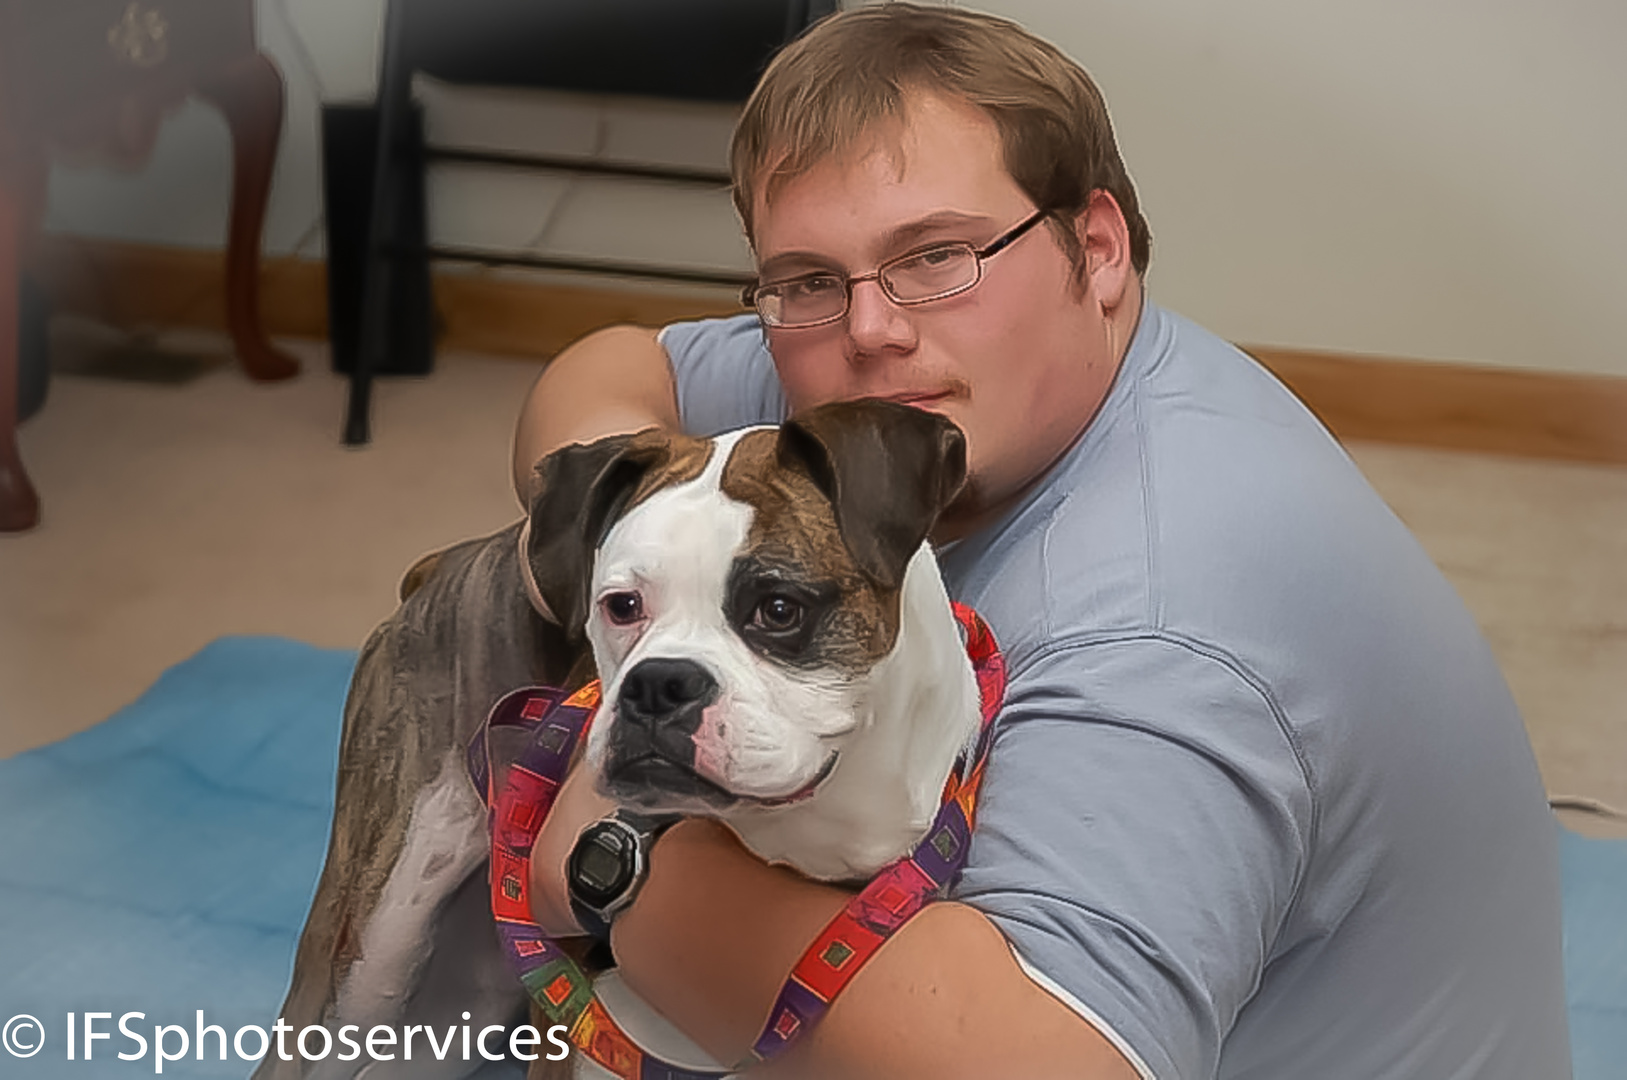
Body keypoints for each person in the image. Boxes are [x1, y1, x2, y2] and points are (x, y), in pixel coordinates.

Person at [510, 5, 1571, 1078]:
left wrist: (625, 853)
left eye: (937, 255)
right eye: (809, 279)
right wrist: (611, 524)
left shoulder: (1156, 618)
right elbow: (615, 362)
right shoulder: (904, 400)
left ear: (1096, 248)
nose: (870, 328)